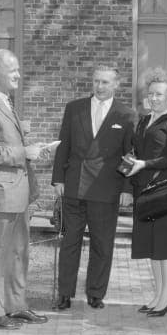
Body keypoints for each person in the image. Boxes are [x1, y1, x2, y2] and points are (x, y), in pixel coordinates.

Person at [0, 48, 50, 330]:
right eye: (13, 69)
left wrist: (27, 146)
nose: (18, 74)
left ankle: (15, 306)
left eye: (18, 69)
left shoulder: (5, 102)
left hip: (18, 194)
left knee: (18, 254)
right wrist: (24, 152)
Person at [50, 66, 135, 309]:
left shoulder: (126, 114)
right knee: (70, 242)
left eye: (105, 82)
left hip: (106, 188)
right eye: (96, 81)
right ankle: (64, 294)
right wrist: (58, 179)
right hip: (74, 186)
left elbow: (130, 154)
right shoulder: (74, 108)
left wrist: (127, 189)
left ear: (116, 84)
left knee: (102, 244)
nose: (99, 86)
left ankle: (96, 293)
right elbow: (63, 144)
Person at [124, 68, 167, 318]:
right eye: (150, 93)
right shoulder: (144, 120)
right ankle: (159, 295)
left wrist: (145, 164)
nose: (153, 98)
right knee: (152, 245)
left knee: (166, 245)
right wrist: (130, 164)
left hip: (166, 191)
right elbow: (137, 150)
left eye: (159, 94)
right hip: (145, 189)